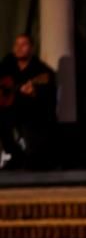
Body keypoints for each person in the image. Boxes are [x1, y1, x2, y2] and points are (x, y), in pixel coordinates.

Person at [0, 34, 57, 168]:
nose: (19, 48)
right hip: (8, 110)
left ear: (31, 48)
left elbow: (47, 91)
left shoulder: (41, 70)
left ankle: (28, 158)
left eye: (23, 45)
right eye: (16, 45)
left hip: (31, 112)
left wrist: (33, 91)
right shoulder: (8, 62)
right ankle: (13, 156)